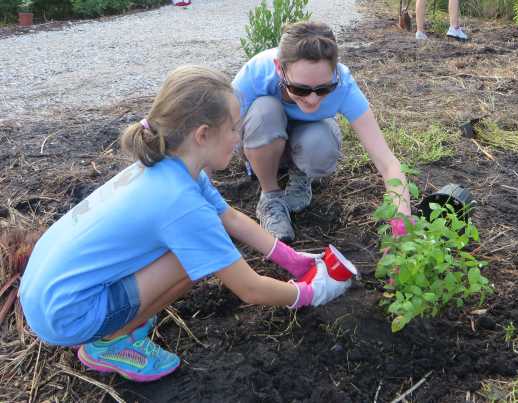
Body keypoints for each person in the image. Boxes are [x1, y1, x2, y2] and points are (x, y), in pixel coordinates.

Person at [18, 65, 350, 382]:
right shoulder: (181, 203)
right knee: (193, 258)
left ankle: (119, 320)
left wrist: (291, 259)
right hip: (67, 315)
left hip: (45, 291)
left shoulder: (169, 165)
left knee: (196, 248)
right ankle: (109, 344)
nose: (239, 135)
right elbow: (249, 289)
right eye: (234, 127)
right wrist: (312, 292)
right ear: (203, 135)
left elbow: (230, 217)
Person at [232, 21, 412, 243]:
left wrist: (401, 233)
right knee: (264, 112)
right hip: (262, 142)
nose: (312, 99)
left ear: (335, 71)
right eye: (300, 89)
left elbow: (388, 163)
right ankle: (270, 196)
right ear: (280, 68)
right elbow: (220, 134)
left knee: (321, 140)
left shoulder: (344, 85)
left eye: (324, 89)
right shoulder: (257, 73)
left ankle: (302, 175)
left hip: (304, 145)